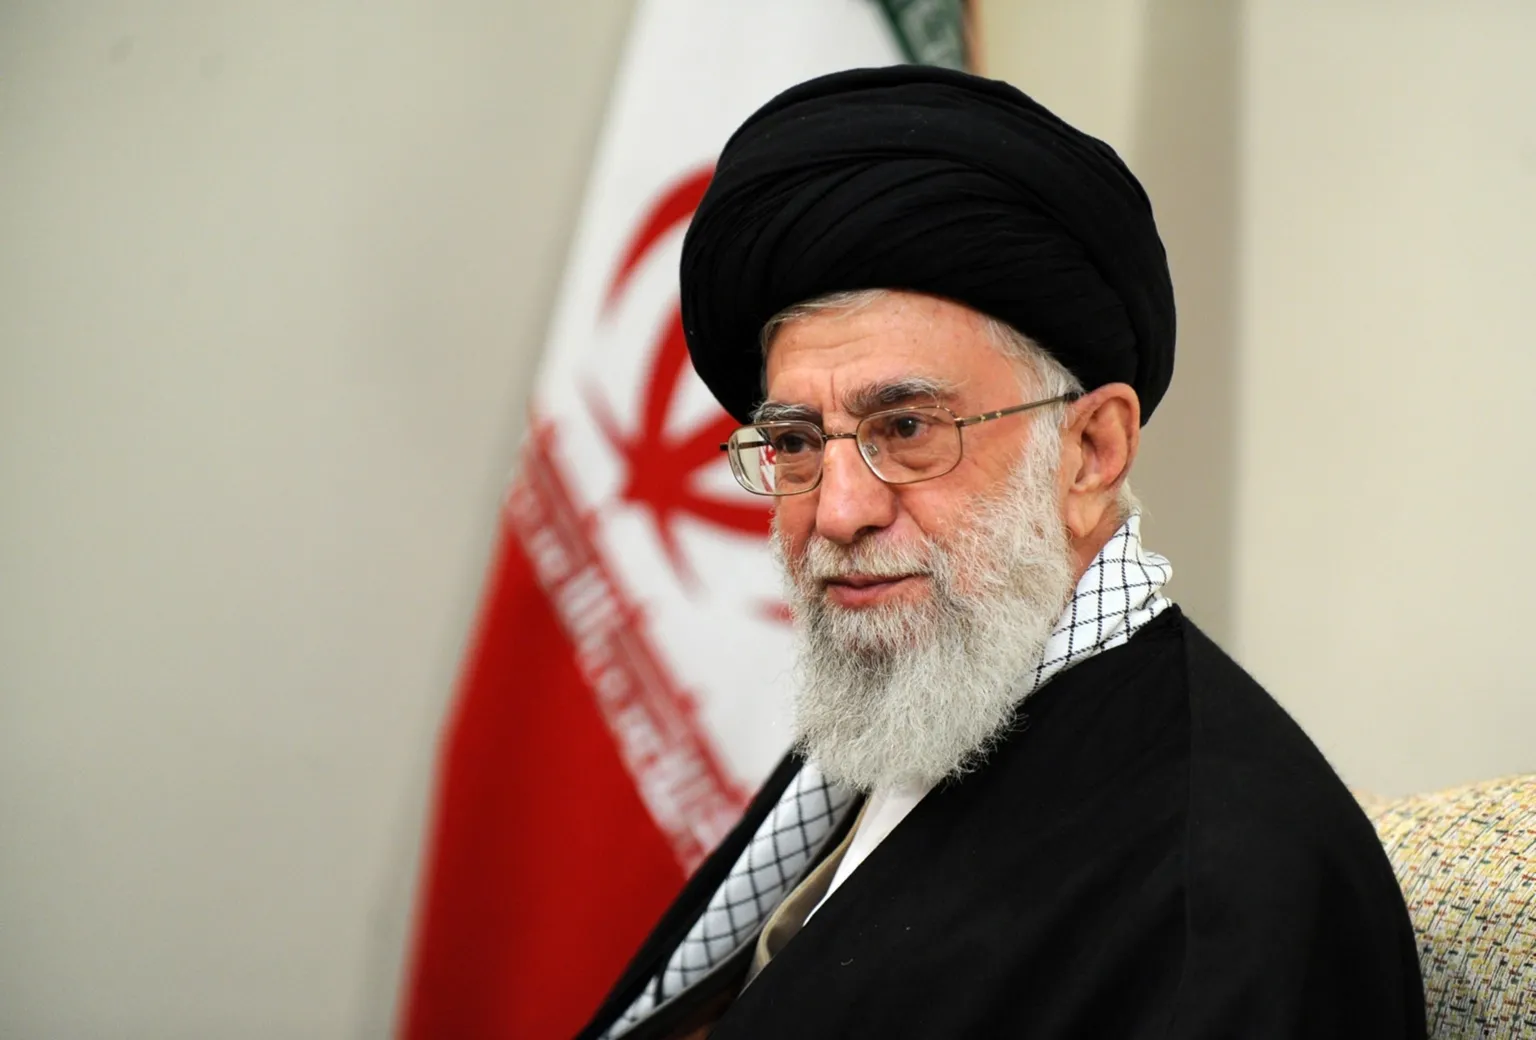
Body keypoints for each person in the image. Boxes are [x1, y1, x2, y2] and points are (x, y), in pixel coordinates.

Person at [577, 65, 1425, 1040]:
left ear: (1091, 451)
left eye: (906, 426)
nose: (839, 509)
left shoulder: (1221, 891)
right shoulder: (910, 719)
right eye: (798, 443)